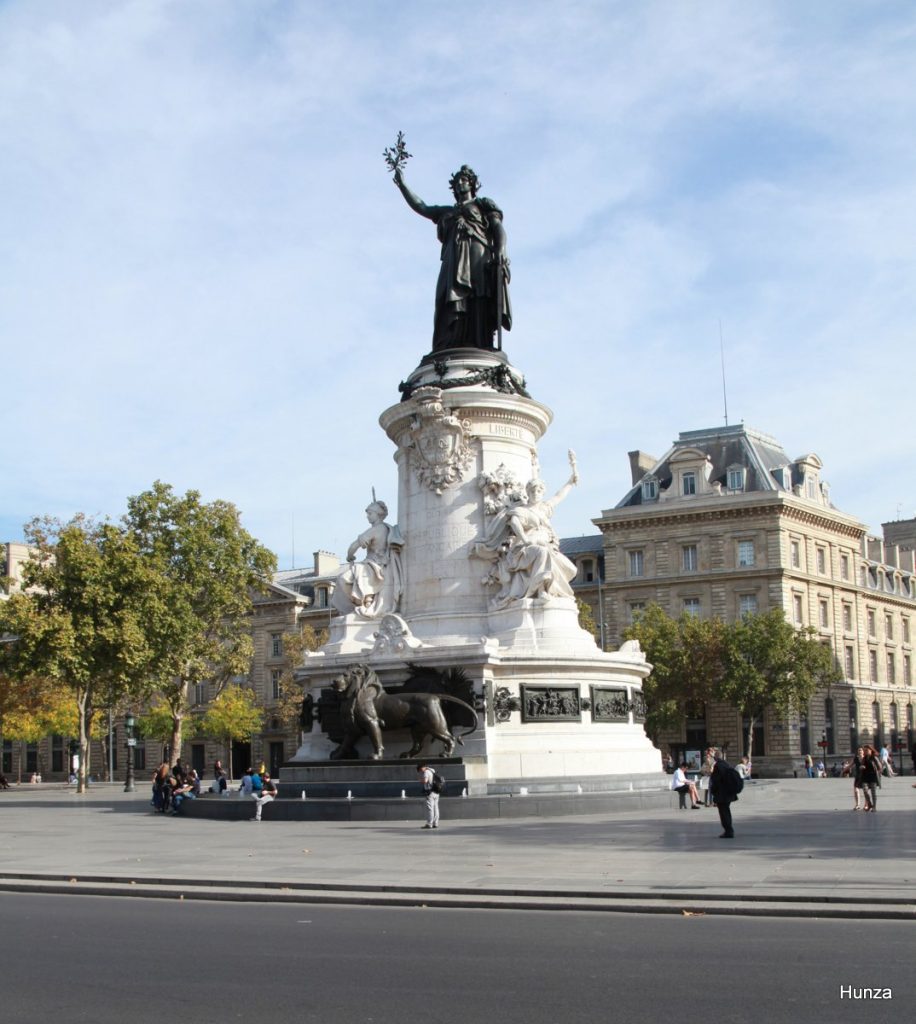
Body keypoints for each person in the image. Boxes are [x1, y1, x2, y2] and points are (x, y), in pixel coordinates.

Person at [393, 163, 511, 352]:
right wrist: (403, 185)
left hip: (477, 254)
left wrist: (501, 248)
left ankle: (481, 341)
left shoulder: (482, 205)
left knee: (478, 295)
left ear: (472, 184)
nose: (460, 184)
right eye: (457, 182)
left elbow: (497, 228)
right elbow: (421, 206)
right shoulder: (447, 211)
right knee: (447, 298)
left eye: (464, 180)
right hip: (453, 260)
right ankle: (451, 342)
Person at [333, 498, 402, 619]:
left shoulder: (375, 530)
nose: (367, 517)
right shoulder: (388, 528)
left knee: (342, 580)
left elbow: (353, 547)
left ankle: (354, 609)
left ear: (378, 514)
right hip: (382, 566)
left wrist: (350, 556)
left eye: (370, 513)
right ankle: (363, 602)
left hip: (373, 566)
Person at [709, 749, 739, 839]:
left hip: (722, 794)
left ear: (716, 757)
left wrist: (713, 791)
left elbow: (716, 780)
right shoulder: (726, 764)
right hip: (728, 792)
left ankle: (728, 831)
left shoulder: (718, 766)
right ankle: (729, 830)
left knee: (723, 812)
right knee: (726, 811)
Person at [859, 745, 882, 812]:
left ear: (871, 750)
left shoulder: (874, 758)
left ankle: (874, 807)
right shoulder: (864, 758)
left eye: (867, 750)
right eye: (865, 750)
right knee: (865, 791)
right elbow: (861, 765)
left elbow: (880, 767)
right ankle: (869, 804)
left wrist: (878, 772)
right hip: (865, 776)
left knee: (873, 792)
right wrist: (861, 767)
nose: (865, 752)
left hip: (873, 776)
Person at [417, 763, 440, 829]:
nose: (421, 772)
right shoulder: (432, 770)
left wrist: (420, 780)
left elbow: (425, 781)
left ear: (422, 768)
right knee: (436, 807)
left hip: (430, 792)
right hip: (436, 791)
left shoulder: (426, 772)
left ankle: (429, 824)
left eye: (420, 770)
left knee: (430, 808)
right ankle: (435, 823)